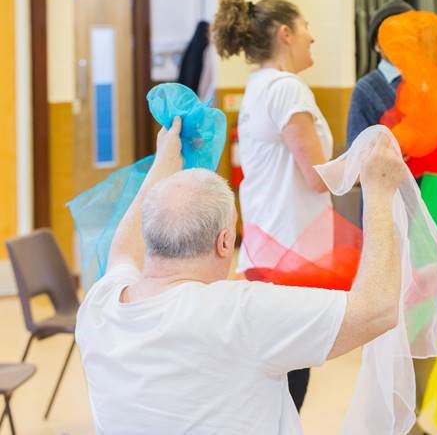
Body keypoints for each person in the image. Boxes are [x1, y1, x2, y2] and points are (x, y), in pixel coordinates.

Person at [75, 117, 407, 434]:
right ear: (224, 242)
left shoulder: (99, 307)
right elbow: (376, 309)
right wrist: (379, 194)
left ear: (151, 235)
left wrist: (164, 163)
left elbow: (122, 250)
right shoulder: (240, 312)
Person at [346, 0, 437, 435]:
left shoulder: (434, 85)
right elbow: (358, 167)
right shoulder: (369, 90)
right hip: (398, 227)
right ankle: (398, 420)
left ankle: (411, 418)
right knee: (397, 328)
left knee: (433, 328)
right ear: (381, 43)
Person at [212, 0, 333, 409]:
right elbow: (317, 178)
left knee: (278, 379)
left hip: (272, 245)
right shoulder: (286, 89)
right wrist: (372, 159)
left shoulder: (259, 86)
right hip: (291, 253)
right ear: (285, 34)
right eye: (305, 30)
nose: (311, 38)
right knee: (289, 381)